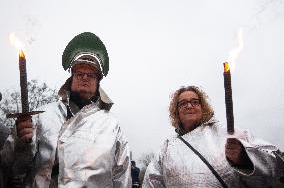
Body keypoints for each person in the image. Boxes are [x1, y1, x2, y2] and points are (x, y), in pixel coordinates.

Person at [0, 32, 132, 187]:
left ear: (98, 82)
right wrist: (19, 142)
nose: (84, 78)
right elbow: (11, 170)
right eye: (79, 73)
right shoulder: (42, 117)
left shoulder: (112, 126)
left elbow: (122, 178)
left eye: (90, 75)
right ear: (71, 78)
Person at [142, 85, 284, 188]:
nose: (189, 106)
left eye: (195, 101)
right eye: (183, 103)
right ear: (176, 111)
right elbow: (151, 182)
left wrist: (243, 158)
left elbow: (276, 164)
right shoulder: (166, 149)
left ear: (202, 107)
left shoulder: (229, 133)